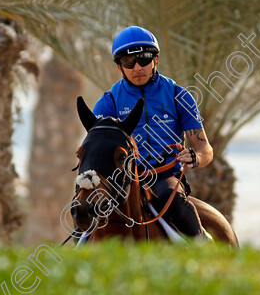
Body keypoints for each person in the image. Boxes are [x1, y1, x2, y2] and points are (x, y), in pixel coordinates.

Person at [91, 26, 215, 239]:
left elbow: (205, 149)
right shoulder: (108, 102)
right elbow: (96, 148)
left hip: (165, 177)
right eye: (129, 62)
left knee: (168, 195)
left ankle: (204, 247)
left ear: (155, 60)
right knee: (86, 206)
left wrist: (195, 157)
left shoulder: (179, 96)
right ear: (120, 66)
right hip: (122, 180)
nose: (138, 67)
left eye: (144, 59)